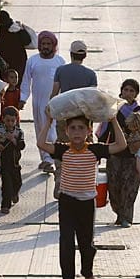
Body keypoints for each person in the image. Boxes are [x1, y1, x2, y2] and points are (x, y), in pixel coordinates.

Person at [37, 112, 127, 279]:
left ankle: (88, 275)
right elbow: (41, 144)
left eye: (81, 128)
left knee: (86, 243)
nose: (77, 132)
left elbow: (121, 145)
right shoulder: (63, 150)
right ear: (66, 132)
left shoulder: (95, 150)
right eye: (72, 128)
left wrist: (112, 120)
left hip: (87, 203)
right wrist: (48, 122)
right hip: (67, 202)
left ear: (88, 131)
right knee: (66, 243)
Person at [99, 79, 140, 228]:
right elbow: (104, 131)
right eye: (126, 90)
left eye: (131, 91)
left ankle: (126, 217)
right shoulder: (114, 110)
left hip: (132, 156)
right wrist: (100, 151)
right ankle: (118, 213)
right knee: (114, 186)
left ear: (136, 94)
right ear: (121, 91)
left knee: (130, 187)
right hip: (115, 153)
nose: (128, 93)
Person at [50, 40, 98, 193]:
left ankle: (60, 179)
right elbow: (92, 99)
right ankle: (82, 181)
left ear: (70, 54)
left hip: (64, 117)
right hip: (83, 119)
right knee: (84, 149)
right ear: (85, 55)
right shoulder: (91, 74)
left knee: (63, 148)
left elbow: (54, 94)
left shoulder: (61, 70)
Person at [19, 31, 65, 171]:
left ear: (53, 45)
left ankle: (49, 159)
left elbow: (64, 82)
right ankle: (45, 158)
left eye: (48, 44)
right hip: (38, 102)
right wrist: (22, 98)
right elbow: (26, 80)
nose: (46, 46)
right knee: (41, 129)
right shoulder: (32, 61)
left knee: (52, 130)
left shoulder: (60, 61)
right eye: (43, 44)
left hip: (55, 102)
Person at [0, 106, 25, 214]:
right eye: (8, 120)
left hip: (15, 163)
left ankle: (14, 194)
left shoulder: (19, 132)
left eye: (13, 121)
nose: (10, 123)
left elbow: (22, 145)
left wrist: (14, 140)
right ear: (3, 119)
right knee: (6, 184)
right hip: (4, 162)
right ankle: (5, 205)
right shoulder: (0, 130)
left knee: (18, 182)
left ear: (16, 120)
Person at [0, 10, 31, 85]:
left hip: (6, 63)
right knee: (18, 83)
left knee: (7, 85)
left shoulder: (0, 32)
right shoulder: (16, 28)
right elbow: (27, 41)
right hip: (19, 62)